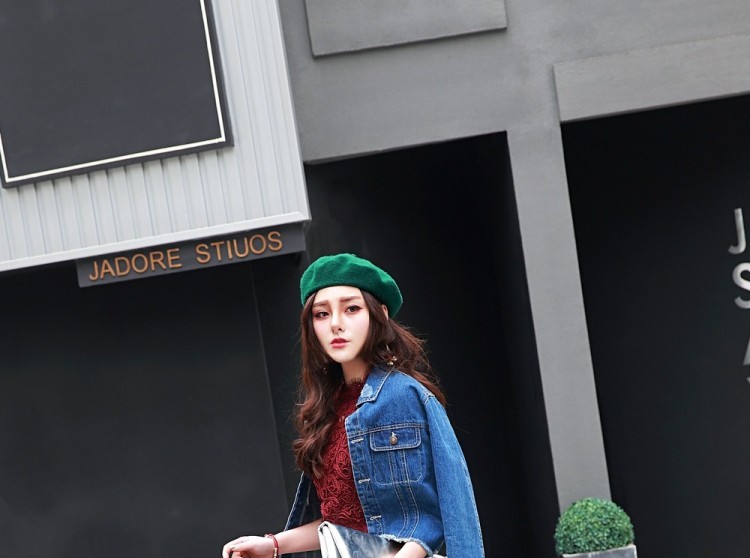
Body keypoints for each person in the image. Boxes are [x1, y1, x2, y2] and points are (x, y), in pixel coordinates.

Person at [222, 253, 484, 558]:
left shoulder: (403, 396)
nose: (336, 324)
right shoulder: (327, 407)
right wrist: (273, 544)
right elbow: (344, 526)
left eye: (351, 309)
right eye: (322, 314)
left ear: (379, 314)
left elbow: (443, 510)